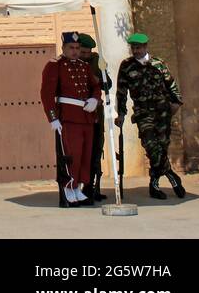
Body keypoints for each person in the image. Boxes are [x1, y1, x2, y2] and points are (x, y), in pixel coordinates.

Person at [115, 32, 185, 200]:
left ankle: (154, 185)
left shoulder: (159, 64)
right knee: (151, 147)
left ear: (146, 47)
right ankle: (171, 175)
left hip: (162, 113)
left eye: (138, 47)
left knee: (162, 147)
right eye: (133, 48)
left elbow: (171, 85)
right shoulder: (126, 66)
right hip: (143, 113)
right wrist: (121, 114)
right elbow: (121, 92)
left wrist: (175, 104)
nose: (136, 50)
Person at [41, 31, 101, 207]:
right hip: (68, 117)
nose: (75, 51)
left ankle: (78, 187)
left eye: (77, 48)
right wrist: (53, 118)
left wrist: (94, 99)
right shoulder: (55, 66)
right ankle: (68, 187)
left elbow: (95, 86)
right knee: (71, 155)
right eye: (71, 48)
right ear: (64, 48)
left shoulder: (84, 66)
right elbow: (46, 93)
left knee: (85, 155)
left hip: (86, 117)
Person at [76, 33, 109, 202]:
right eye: (83, 52)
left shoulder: (97, 62)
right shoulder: (71, 63)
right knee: (81, 152)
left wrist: (98, 79)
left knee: (96, 150)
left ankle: (93, 188)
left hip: (96, 113)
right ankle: (80, 188)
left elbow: (107, 84)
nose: (86, 56)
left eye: (89, 52)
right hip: (77, 114)